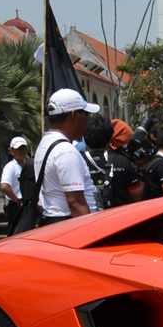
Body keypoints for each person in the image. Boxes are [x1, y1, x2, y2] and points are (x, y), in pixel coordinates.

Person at [33, 88, 98, 226]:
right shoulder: (65, 151)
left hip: (54, 221)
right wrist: (91, 235)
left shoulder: (45, 143)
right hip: (67, 222)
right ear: (74, 115)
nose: (88, 119)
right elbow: (76, 202)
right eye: (85, 113)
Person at [82, 113, 141, 209]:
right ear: (110, 140)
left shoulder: (78, 161)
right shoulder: (123, 162)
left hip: (88, 219)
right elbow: (137, 197)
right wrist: (141, 168)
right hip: (120, 219)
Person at [0, 136, 29, 228]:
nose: (22, 151)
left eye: (23, 148)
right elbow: (4, 186)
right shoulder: (10, 167)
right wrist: (18, 201)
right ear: (12, 151)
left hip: (27, 205)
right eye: (18, 149)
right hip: (16, 205)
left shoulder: (27, 165)